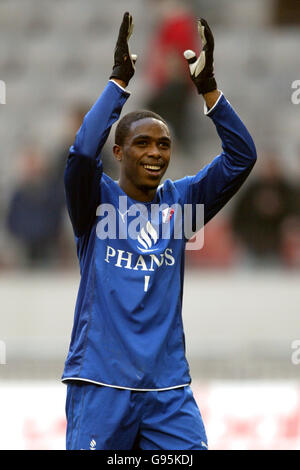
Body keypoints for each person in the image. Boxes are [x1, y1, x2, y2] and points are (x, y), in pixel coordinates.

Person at [62, 13, 257, 450]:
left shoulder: (182, 203)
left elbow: (242, 157)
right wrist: (117, 83)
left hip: (168, 390)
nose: (155, 152)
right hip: (101, 382)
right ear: (118, 151)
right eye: (143, 143)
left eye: (163, 144)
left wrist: (209, 90)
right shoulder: (95, 201)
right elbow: (79, 154)